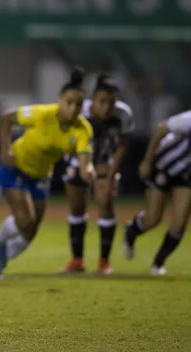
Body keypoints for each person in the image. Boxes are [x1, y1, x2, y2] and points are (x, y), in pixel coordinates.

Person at [0, 67, 95, 279]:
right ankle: (0, 239)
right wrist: (5, 150)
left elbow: (85, 162)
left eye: (79, 105)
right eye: (69, 102)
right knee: (26, 219)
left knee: (31, 231)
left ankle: (0, 258)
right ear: (60, 99)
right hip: (15, 166)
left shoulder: (83, 129)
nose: (73, 109)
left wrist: (89, 171)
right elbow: (7, 118)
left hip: (41, 175)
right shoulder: (43, 114)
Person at [60, 74, 134, 275]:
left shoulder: (123, 114)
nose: (107, 107)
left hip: (106, 162)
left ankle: (104, 262)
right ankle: (77, 260)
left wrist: (111, 172)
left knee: (105, 200)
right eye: (102, 101)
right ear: (92, 99)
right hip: (78, 159)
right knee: (76, 206)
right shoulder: (79, 110)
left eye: (111, 102)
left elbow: (122, 145)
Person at [124, 110, 191, 275]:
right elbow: (161, 129)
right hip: (164, 165)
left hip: (190, 175)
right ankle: (131, 231)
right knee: (153, 218)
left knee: (180, 222)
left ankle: (158, 263)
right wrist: (147, 161)